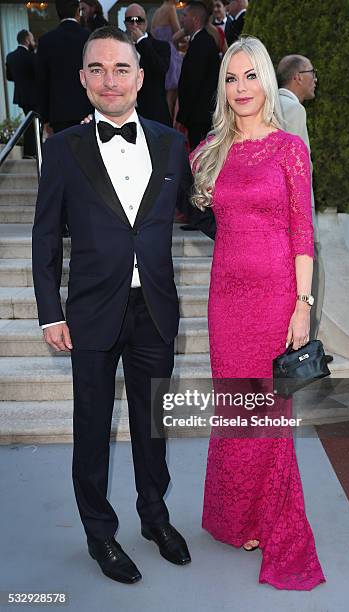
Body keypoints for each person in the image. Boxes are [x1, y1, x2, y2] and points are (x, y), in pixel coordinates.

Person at [32, 25, 191, 585]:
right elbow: (46, 237)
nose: (109, 79)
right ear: (82, 78)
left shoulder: (171, 143)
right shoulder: (63, 148)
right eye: (96, 69)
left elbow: (198, 211)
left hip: (155, 310)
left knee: (152, 424)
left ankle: (155, 517)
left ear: (140, 77)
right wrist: (51, 311)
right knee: (92, 428)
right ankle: (100, 532)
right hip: (92, 313)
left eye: (121, 68)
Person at [188, 37, 326, 589]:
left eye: (249, 76)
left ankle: (268, 517)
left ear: (267, 80)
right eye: (230, 78)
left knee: (268, 414)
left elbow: (302, 234)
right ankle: (233, 515)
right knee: (235, 407)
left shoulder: (290, 148)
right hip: (225, 297)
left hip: (273, 297)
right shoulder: (211, 150)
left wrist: (303, 305)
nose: (240, 89)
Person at [277, 54, 326, 343]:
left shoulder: (272, 105)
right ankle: (305, 351)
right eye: (312, 72)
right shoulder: (293, 110)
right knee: (312, 281)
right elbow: (299, 173)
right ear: (297, 77)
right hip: (297, 219)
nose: (315, 78)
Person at [36, 0, 93, 135]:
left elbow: (42, 82)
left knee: (63, 154)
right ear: (77, 11)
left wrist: (44, 118)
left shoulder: (46, 41)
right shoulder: (89, 37)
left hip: (59, 113)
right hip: (87, 110)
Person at [177, 1, 220, 150]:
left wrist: (182, 116)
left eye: (184, 15)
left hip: (200, 117)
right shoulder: (201, 41)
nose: (181, 19)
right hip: (199, 115)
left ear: (195, 19)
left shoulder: (201, 43)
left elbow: (193, 83)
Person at [124, 3, 172, 126]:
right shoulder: (119, 48)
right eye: (130, 20)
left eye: (139, 20)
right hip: (126, 113)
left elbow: (161, 69)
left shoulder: (161, 46)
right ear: (125, 23)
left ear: (145, 23)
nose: (135, 25)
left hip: (154, 114)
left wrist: (141, 42)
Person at [6, 30, 37, 158]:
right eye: (32, 39)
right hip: (34, 96)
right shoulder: (31, 56)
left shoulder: (10, 56)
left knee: (29, 123)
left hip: (21, 96)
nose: (33, 42)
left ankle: (30, 151)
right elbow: (38, 75)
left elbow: (9, 77)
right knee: (34, 124)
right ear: (27, 40)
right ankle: (31, 152)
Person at [151, 0, 183, 119]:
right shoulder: (170, 8)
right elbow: (177, 32)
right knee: (172, 98)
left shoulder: (157, 12)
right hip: (171, 55)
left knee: (164, 98)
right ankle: (171, 128)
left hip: (159, 55)